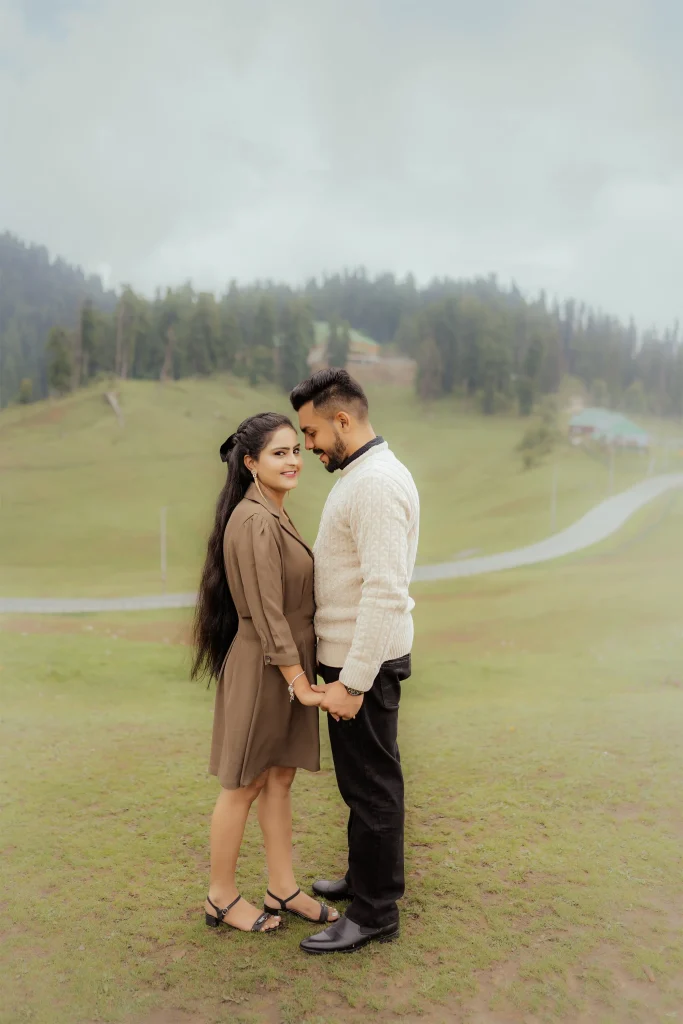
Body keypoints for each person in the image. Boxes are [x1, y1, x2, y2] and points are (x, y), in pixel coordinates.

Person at [191, 412, 339, 934]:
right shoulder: (254, 519)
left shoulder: (274, 512)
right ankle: (221, 897)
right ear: (251, 462)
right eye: (280, 453)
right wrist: (300, 681)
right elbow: (268, 614)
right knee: (244, 784)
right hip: (266, 668)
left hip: (282, 664)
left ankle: (282, 887)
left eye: (296, 450)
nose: (294, 460)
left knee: (279, 777)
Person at [289, 369, 420, 954]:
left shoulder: (375, 484)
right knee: (361, 784)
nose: (308, 446)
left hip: (361, 667)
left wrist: (354, 681)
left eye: (312, 432)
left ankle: (374, 912)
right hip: (350, 661)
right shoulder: (361, 476)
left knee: (372, 787)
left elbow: (386, 591)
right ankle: (365, 877)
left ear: (343, 420)